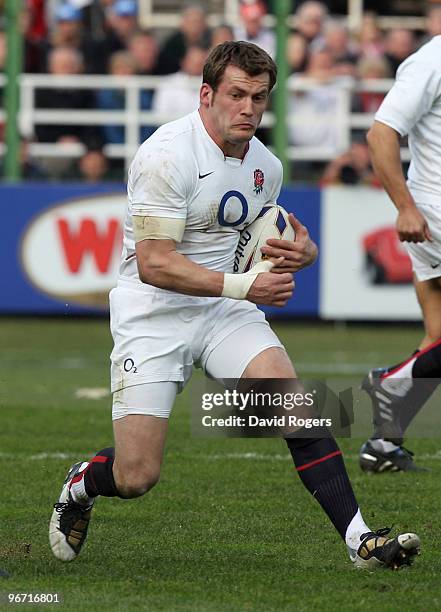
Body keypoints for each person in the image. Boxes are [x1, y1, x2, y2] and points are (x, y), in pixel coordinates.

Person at [49, 41, 420, 570]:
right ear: (206, 95)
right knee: (137, 476)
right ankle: (82, 485)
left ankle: (361, 542)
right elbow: (155, 263)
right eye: (236, 95)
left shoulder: (266, 164)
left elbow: (260, 236)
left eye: (259, 97)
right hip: (153, 312)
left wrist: (302, 253)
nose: (248, 108)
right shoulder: (164, 155)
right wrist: (245, 288)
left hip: (224, 310)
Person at [359, 35, 441, 473]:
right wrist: (405, 206)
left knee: (437, 337)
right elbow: (380, 133)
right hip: (435, 211)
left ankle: (383, 444)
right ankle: (390, 382)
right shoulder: (433, 60)